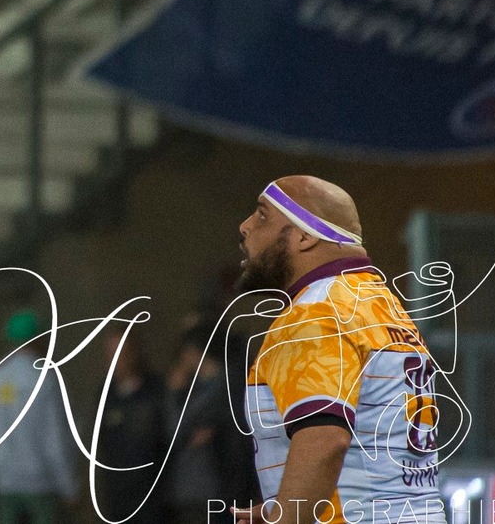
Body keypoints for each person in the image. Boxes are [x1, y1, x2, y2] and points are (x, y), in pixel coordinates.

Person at [235, 176, 444, 524]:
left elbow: (325, 440)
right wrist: (284, 507)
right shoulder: (381, 304)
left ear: (304, 236)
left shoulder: (315, 311)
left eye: (262, 215)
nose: (245, 226)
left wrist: (288, 519)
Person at [0, 310, 78, 524]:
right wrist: (69, 486)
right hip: (41, 485)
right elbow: (56, 438)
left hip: (3, 484)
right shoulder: (46, 378)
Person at [97, 336, 170, 524]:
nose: (115, 361)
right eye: (110, 355)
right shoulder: (106, 394)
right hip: (118, 496)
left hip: (154, 496)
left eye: (120, 353)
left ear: (134, 354)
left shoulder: (156, 389)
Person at [164, 327, 230, 524]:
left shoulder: (221, 388)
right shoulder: (195, 388)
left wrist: (174, 394)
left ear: (194, 352)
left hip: (211, 486)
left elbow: (176, 431)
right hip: (194, 488)